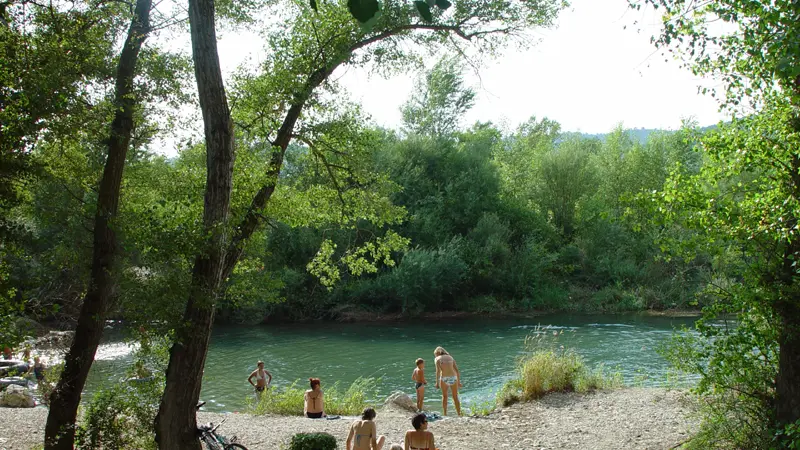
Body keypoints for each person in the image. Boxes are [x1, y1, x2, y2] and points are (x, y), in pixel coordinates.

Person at [434, 346, 462, 416]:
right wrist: (459, 382)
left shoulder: (437, 359)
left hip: (444, 378)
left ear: (437, 353)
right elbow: (457, 371)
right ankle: (459, 414)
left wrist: (437, 383)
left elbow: (437, 371)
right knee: (455, 397)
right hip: (453, 377)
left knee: (444, 396)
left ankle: (445, 414)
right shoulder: (450, 357)